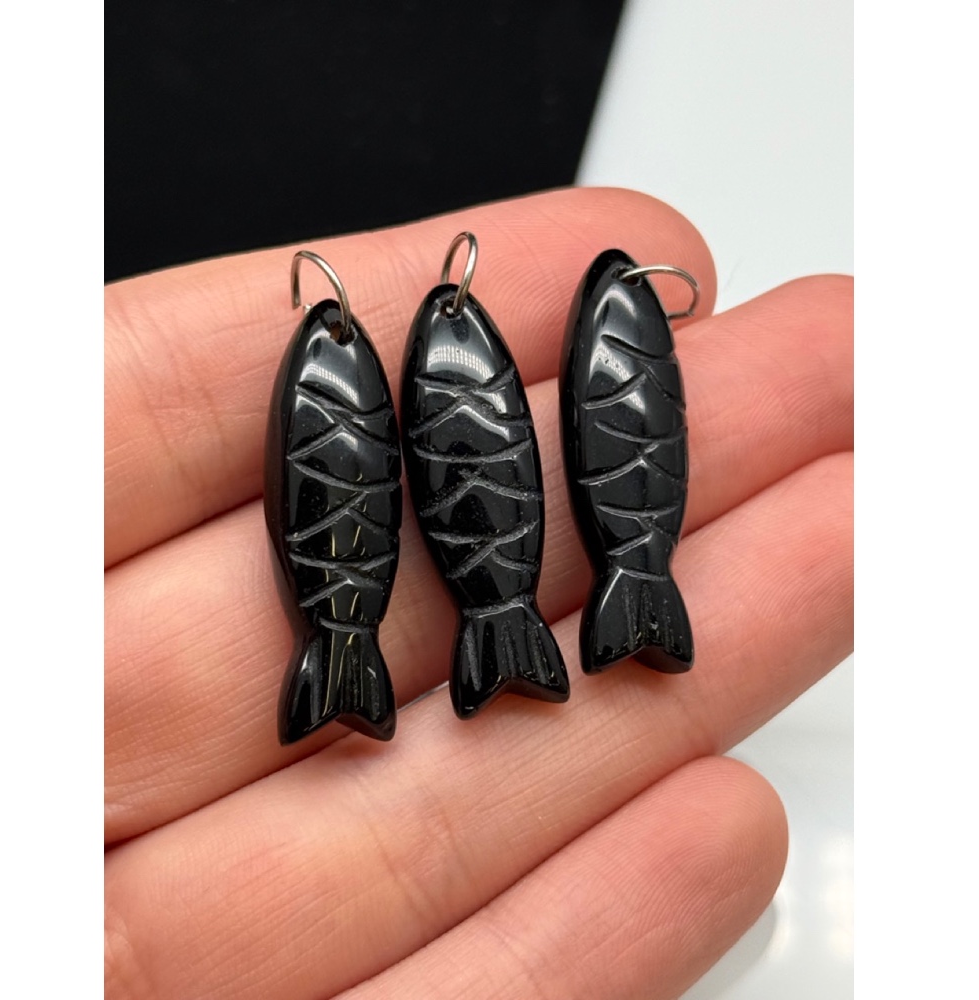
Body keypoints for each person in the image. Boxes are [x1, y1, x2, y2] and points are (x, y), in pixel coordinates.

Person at [104, 186, 853, 999]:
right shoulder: (372, 369)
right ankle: (402, 651)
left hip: (528, 582)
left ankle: (505, 632)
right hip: (433, 598)